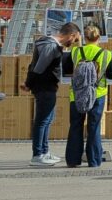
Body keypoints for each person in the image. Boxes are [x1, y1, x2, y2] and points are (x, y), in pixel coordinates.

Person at [23, 22, 81, 167]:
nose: (73, 43)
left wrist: (29, 83)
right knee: (42, 121)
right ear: (71, 35)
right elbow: (38, 68)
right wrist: (29, 84)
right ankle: (38, 155)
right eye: (75, 40)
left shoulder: (47, 44)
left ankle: (44, 151)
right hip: (45, 87)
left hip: (45, 87)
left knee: (47, 120)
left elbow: (33, 66)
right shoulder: (51, 46)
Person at [64, 25, 112, 168]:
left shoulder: (76, 51)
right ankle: (94, 160)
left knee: (75, 125)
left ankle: (73, 160)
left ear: (85, 38)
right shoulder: (106, 54)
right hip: (97, 94)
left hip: (76, 95)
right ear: (99, 38)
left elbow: (67, 69)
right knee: (94, 126)